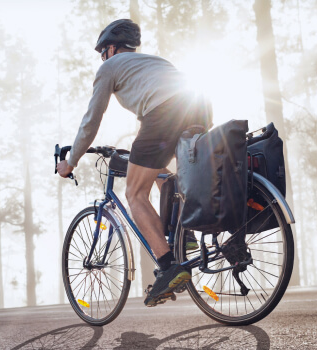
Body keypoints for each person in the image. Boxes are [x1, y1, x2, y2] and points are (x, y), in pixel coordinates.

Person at [55, 19, 212, 307]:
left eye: (103, 52)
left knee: (134, 193)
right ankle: (185, 236)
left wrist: (71, 161)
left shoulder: (109, 68)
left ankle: (168, 266)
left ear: (111, 48)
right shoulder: (153, 62)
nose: (102, 58)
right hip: (198, 106)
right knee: (166, 176)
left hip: (163, 113)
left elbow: (91, 121)